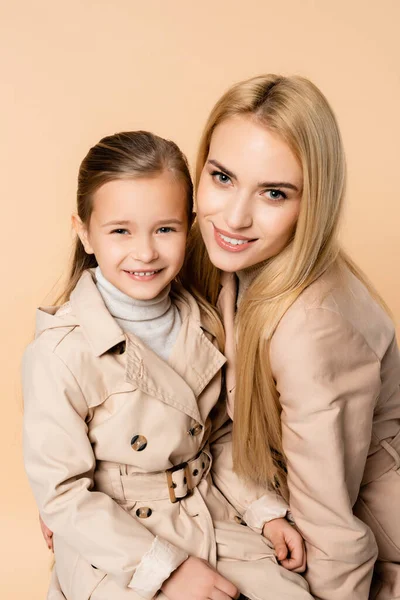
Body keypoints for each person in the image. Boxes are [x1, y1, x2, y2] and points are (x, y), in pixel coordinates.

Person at [23, 131, 312, 600]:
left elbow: (219, 436)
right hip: (117, 540)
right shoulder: (60, 352)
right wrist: (167, 571)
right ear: (84, 232)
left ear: (189, 225)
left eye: (165, 229)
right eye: (121, 231)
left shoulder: (203, 319)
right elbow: (63, 494)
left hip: (209, 509)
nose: (146, 252)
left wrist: (263, 509)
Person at [183, 74, 400, 600]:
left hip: (369, 544)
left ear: (313, 203)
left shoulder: (311, 327)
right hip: (272, 511)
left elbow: (335, 531)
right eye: (222, 177)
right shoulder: (229, 259)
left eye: (274, 193)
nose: (234, 216)